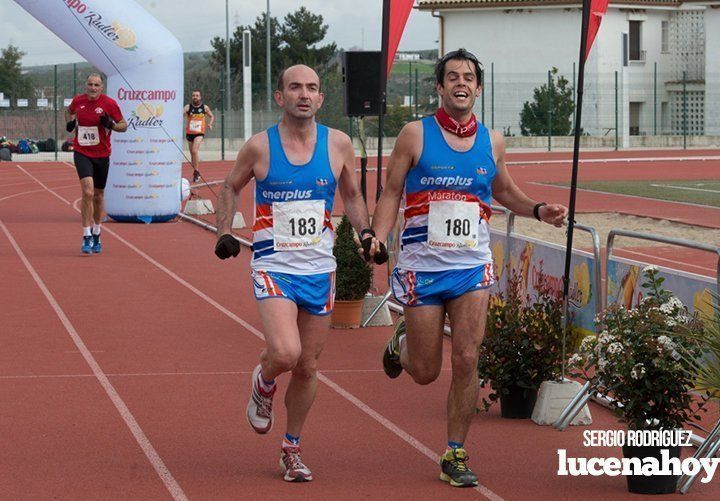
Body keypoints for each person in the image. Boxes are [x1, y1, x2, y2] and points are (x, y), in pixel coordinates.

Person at [370, 49, 568, 488]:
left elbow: (504, 191)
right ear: (439, 87)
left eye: (470, 78)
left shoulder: (492, 141)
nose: (462, 83)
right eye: (453, 77)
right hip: (423, 267)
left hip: (472, 266)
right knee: (425, 372)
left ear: (478, 88)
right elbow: (390, 193)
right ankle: (400, 346)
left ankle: (454, 453)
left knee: (466, 357)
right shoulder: (414, 135)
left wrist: (537, 209)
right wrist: (378, 236)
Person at [213, 64, 383, 482]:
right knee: (286, 354)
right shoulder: (259, 147)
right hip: (274, 267)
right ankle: (265, 380)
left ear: (321, 99)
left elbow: (353, 195)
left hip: (320, 269)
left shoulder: (339, 144)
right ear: (280, 97)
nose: (303, 94)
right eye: (294, 87)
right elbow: (230, 186)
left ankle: (291, 448)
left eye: (311, 88)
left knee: (307, 366)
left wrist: (364, 233)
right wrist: (224, 231)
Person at [65, 73, 127, 254]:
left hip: (102, 154)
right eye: (90, 84)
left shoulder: (109, 104)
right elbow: (68, 112)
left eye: (96, 85)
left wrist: (111, 124)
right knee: (88, 192)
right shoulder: (78, 101)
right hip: (82, 151)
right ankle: (86, 235)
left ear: (101, 87)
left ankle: (97, 232)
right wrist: (70, 124)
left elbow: (124, 125)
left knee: (98, 196)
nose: (93, 88)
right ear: (86, 85)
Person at [184, 90, 214, 183]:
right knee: (192, 154)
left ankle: (196, 171)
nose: (195, 97)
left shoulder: (204, 108)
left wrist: (210, 124)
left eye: (197, 95)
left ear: (200, 97)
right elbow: (181, 114)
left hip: (199, 133)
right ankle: (196, 172)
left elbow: (212, 116)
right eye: (193, 96)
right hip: (189, 133)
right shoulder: (188, 107)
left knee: (194, 150)